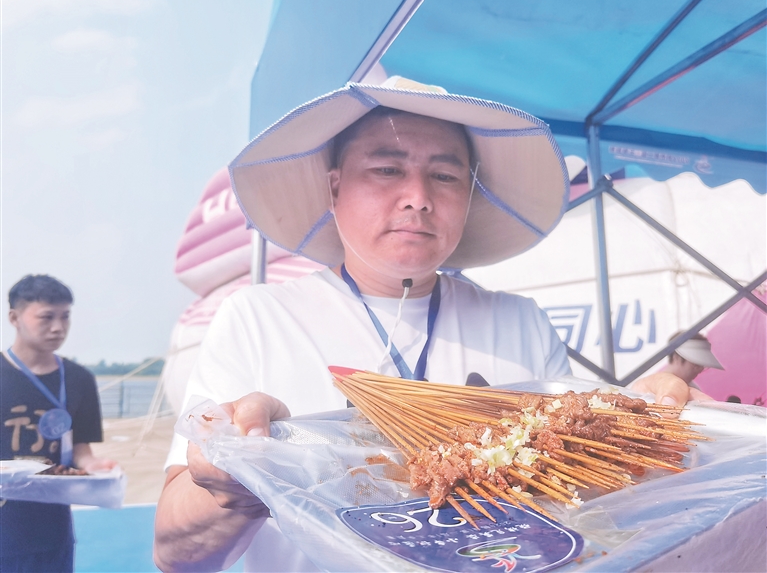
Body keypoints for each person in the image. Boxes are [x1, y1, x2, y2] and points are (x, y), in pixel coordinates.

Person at [153, 77, 695, 572]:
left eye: (444, 175)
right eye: (387, 170)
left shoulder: (520, 323)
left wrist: (642, 427)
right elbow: (174, 555)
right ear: (334, 187)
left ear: (468, 195)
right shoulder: (258, 319)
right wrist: (236, 479)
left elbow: (586, 499)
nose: (418, 198)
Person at [1, 275, 117, 573]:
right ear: (14, 318)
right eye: (46, 317)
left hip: (53, 528)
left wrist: (94, 466)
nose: (58, 327)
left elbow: (80, 449)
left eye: (65, 316)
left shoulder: (79, 379)